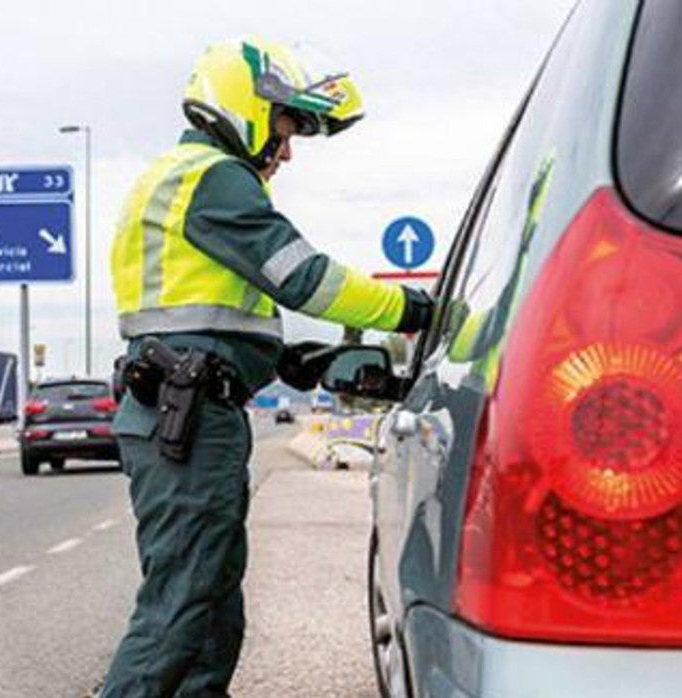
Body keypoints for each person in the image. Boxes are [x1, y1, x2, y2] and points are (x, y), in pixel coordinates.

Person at [100, 37, 434, 698]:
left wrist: (284, 359)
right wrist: (416, 309)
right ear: (245, 107)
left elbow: (197, 313)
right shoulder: (215, 178)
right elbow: (305, 278)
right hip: (188, 419)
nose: (286, 150)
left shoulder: (173, 178)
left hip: (178, 407)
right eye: (285, 127)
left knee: (209, 612)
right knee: (179, 608)